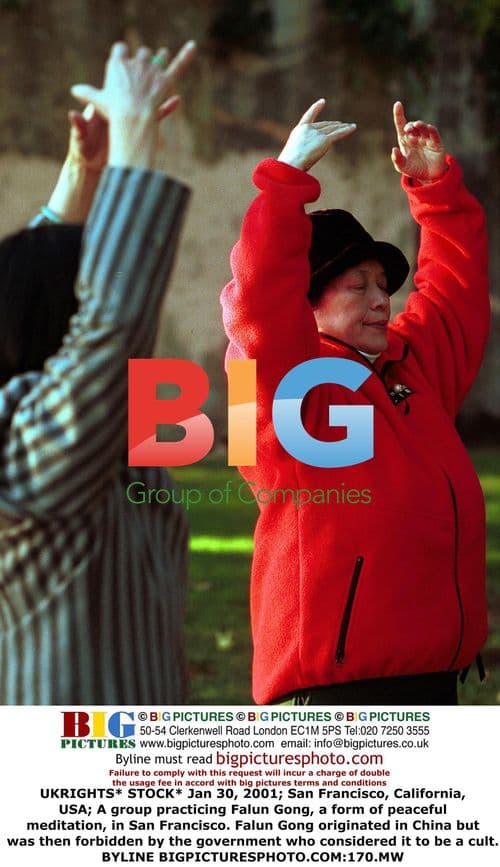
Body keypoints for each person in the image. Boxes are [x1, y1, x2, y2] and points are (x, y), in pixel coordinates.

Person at [221, 99, 490, 705]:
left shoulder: (408, 366)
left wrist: (435, 191)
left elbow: (455, 291)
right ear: (308, 302)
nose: (380, 300)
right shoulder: (276, 387)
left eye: (383, 285)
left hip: (433, 676)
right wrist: (285, 180)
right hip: (339, 691)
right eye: (356, 286)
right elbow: (258, 301)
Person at [0, 39, 196, 704]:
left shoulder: (96, 438)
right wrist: (137, 144)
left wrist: (84, 175)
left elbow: (30, 283)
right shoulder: (24, 443)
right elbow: (109, 323)